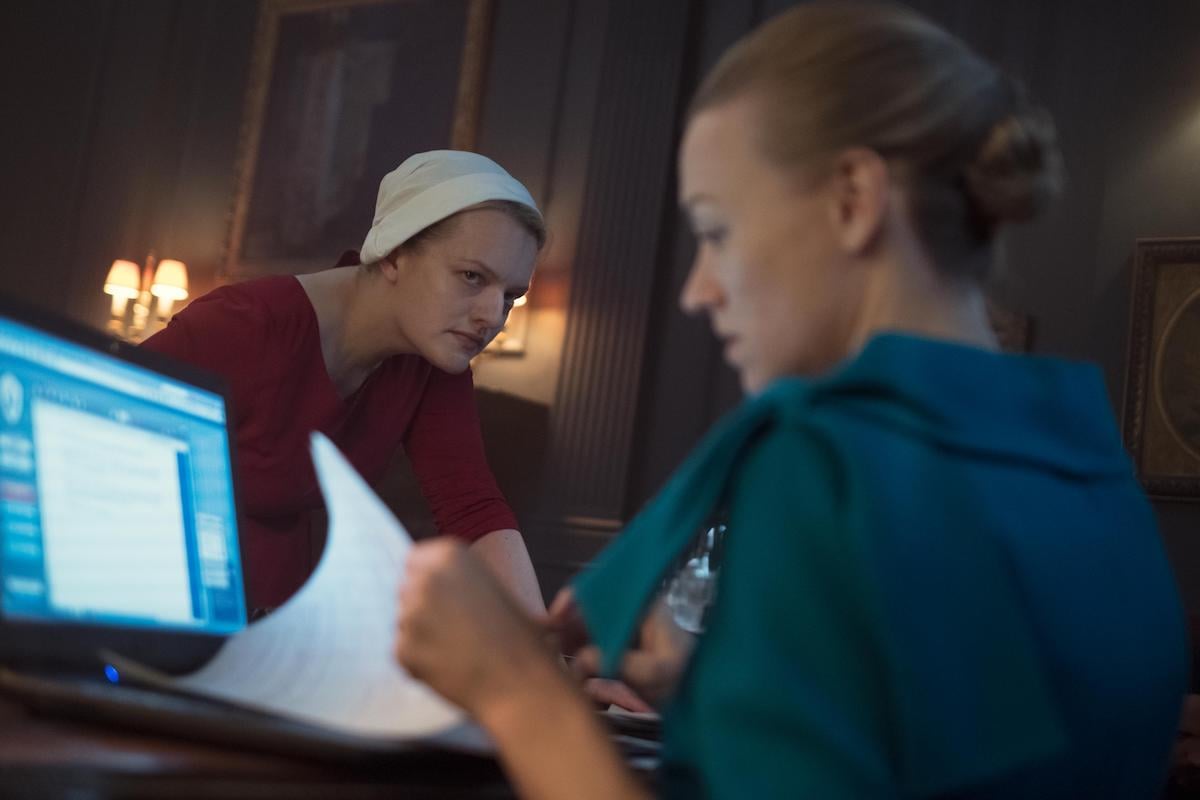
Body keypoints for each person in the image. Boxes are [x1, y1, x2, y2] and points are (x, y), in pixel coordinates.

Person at [393, 3, 1189, 798]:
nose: (699, 290)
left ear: (852, 199)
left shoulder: (826, 469)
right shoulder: (1087, 461)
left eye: (719, 232)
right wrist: (742, 684)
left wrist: (511, 689)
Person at [143, 150, 546, 616]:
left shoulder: (433, 358)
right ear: (395, 253)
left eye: (511, 297)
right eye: (472, 276)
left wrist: (548, 668)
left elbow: (473, 510)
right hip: (169, 599)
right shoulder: (246, 326)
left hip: (281, 626)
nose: (492, 317)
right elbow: (93, 423)